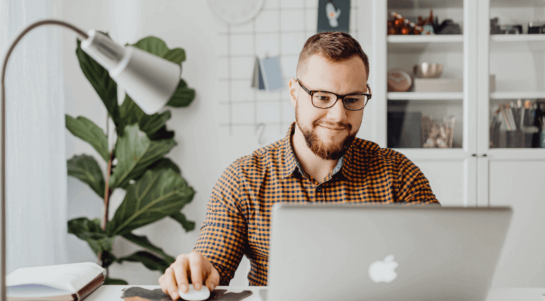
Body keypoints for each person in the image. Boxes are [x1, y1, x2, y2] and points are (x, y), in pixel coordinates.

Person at [158, 31, 439, 300]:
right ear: (294, 92)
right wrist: (196, 272)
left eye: (352, 99)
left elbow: (444, 261)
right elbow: (212, 262)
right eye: (322, 97)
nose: (338, 115)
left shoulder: (399, 174)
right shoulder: (244, 178)